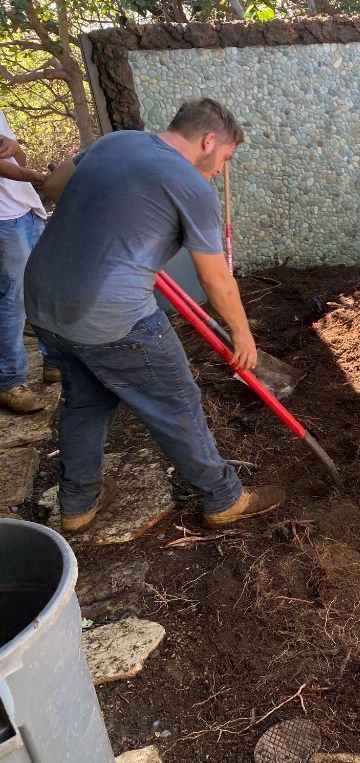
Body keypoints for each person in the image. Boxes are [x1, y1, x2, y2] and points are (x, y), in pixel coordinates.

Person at [25, 98, 285, 533]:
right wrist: (243, 335)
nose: (221, 170)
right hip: (111, 316)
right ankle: (224, 498)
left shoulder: (114, 142)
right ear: (208, 141)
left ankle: (77, 502)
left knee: (86, 401)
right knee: (176, 403)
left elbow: (52, 189)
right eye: (224, 158)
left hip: (44, 305)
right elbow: (216, 279)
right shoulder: (190, 184)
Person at [0, 108, 59, 414]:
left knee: (41, 288)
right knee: (13, 299)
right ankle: (9, 381)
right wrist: (42, 177)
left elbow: (14, 159)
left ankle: (53, 360)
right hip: (3, 219)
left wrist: (17, 148)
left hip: (26, 208)